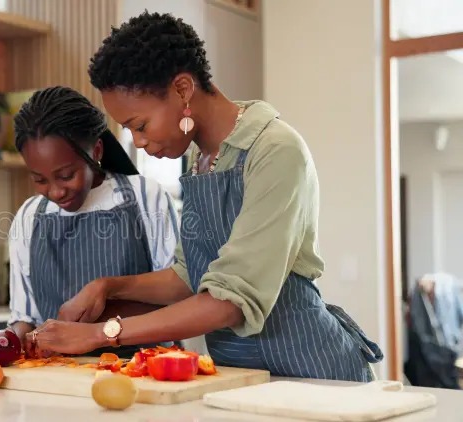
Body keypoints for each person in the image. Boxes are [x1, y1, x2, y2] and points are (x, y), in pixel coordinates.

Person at [24, 11, 384, 381]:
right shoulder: (200, 159)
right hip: (244, 374)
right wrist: (108, 287)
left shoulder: (275, 150)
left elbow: (230, 301)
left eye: (140, 125)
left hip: (312, 372)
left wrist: (101, 333)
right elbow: (188, 277)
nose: (139, 142)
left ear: (182, 89)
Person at [7, 86, 180, 358]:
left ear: (96, 151)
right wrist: (9, 342)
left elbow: (179, 295)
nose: (55, 192)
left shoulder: (144, 197)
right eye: (40, 180)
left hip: (142, 369)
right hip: (59, 374)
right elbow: (25, 318)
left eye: (66, 175)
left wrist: (106, 294)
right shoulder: (29, 217)